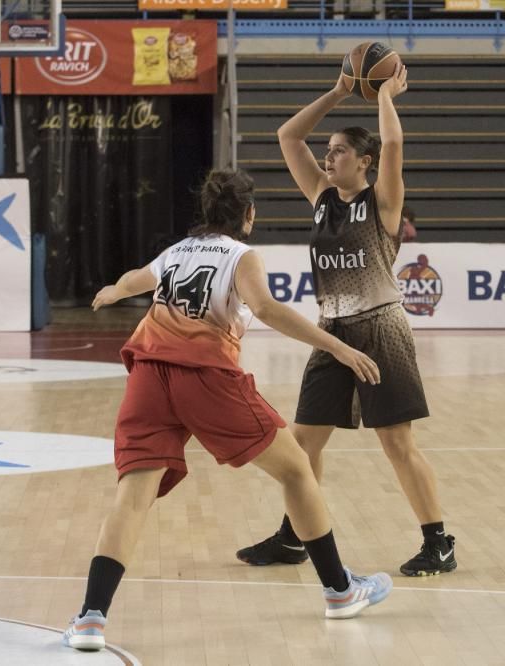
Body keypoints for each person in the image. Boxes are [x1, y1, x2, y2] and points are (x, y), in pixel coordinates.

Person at [63, 169, 392, 652]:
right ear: (248, 215)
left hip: (148, 377)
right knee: (298, 470)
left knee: (132, 498)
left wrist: (114, 290)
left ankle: (91, 618)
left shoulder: (177, 251)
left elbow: (139, 278)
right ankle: (339, 591)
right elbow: (267, 308)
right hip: (206, 378)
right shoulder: (242, 255)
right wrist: (336, 347)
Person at [235, 63, 457, 577]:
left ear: (365, 162)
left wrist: (384, 95)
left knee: (397, 443)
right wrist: (339, 90)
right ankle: (295, 537)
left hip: (382, 329)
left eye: (338, 151)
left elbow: (395, 149)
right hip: (332, 332)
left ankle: (439, 541)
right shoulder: (321, 198)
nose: (328, 156)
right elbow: (288, 135)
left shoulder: (382, 204)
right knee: (302, 443)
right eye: (328, 150)